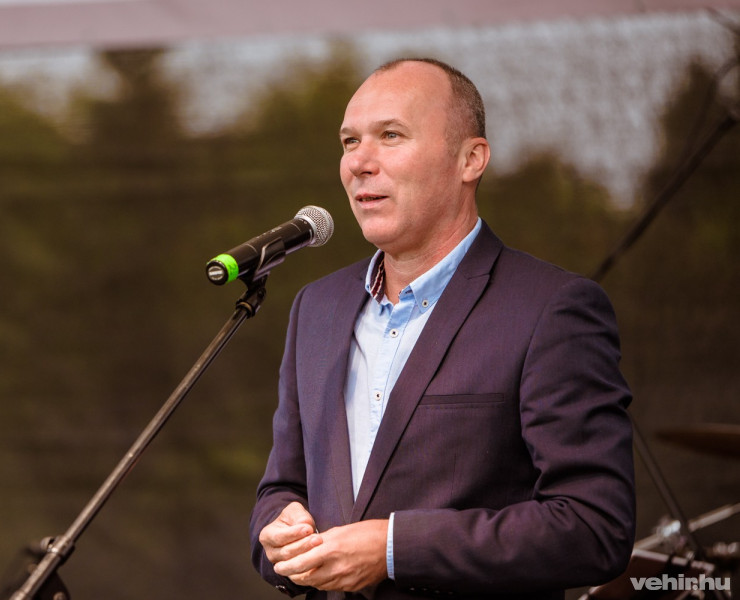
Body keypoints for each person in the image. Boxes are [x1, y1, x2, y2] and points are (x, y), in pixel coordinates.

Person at [249, 58, 636, 600]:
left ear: (470, 159)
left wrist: (392, 549)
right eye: (349, 141)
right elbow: (282, 487)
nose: (359, 162)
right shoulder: (317, 307)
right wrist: (278, 529)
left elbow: (595, 528)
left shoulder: (550, 308)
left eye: (390, 135)